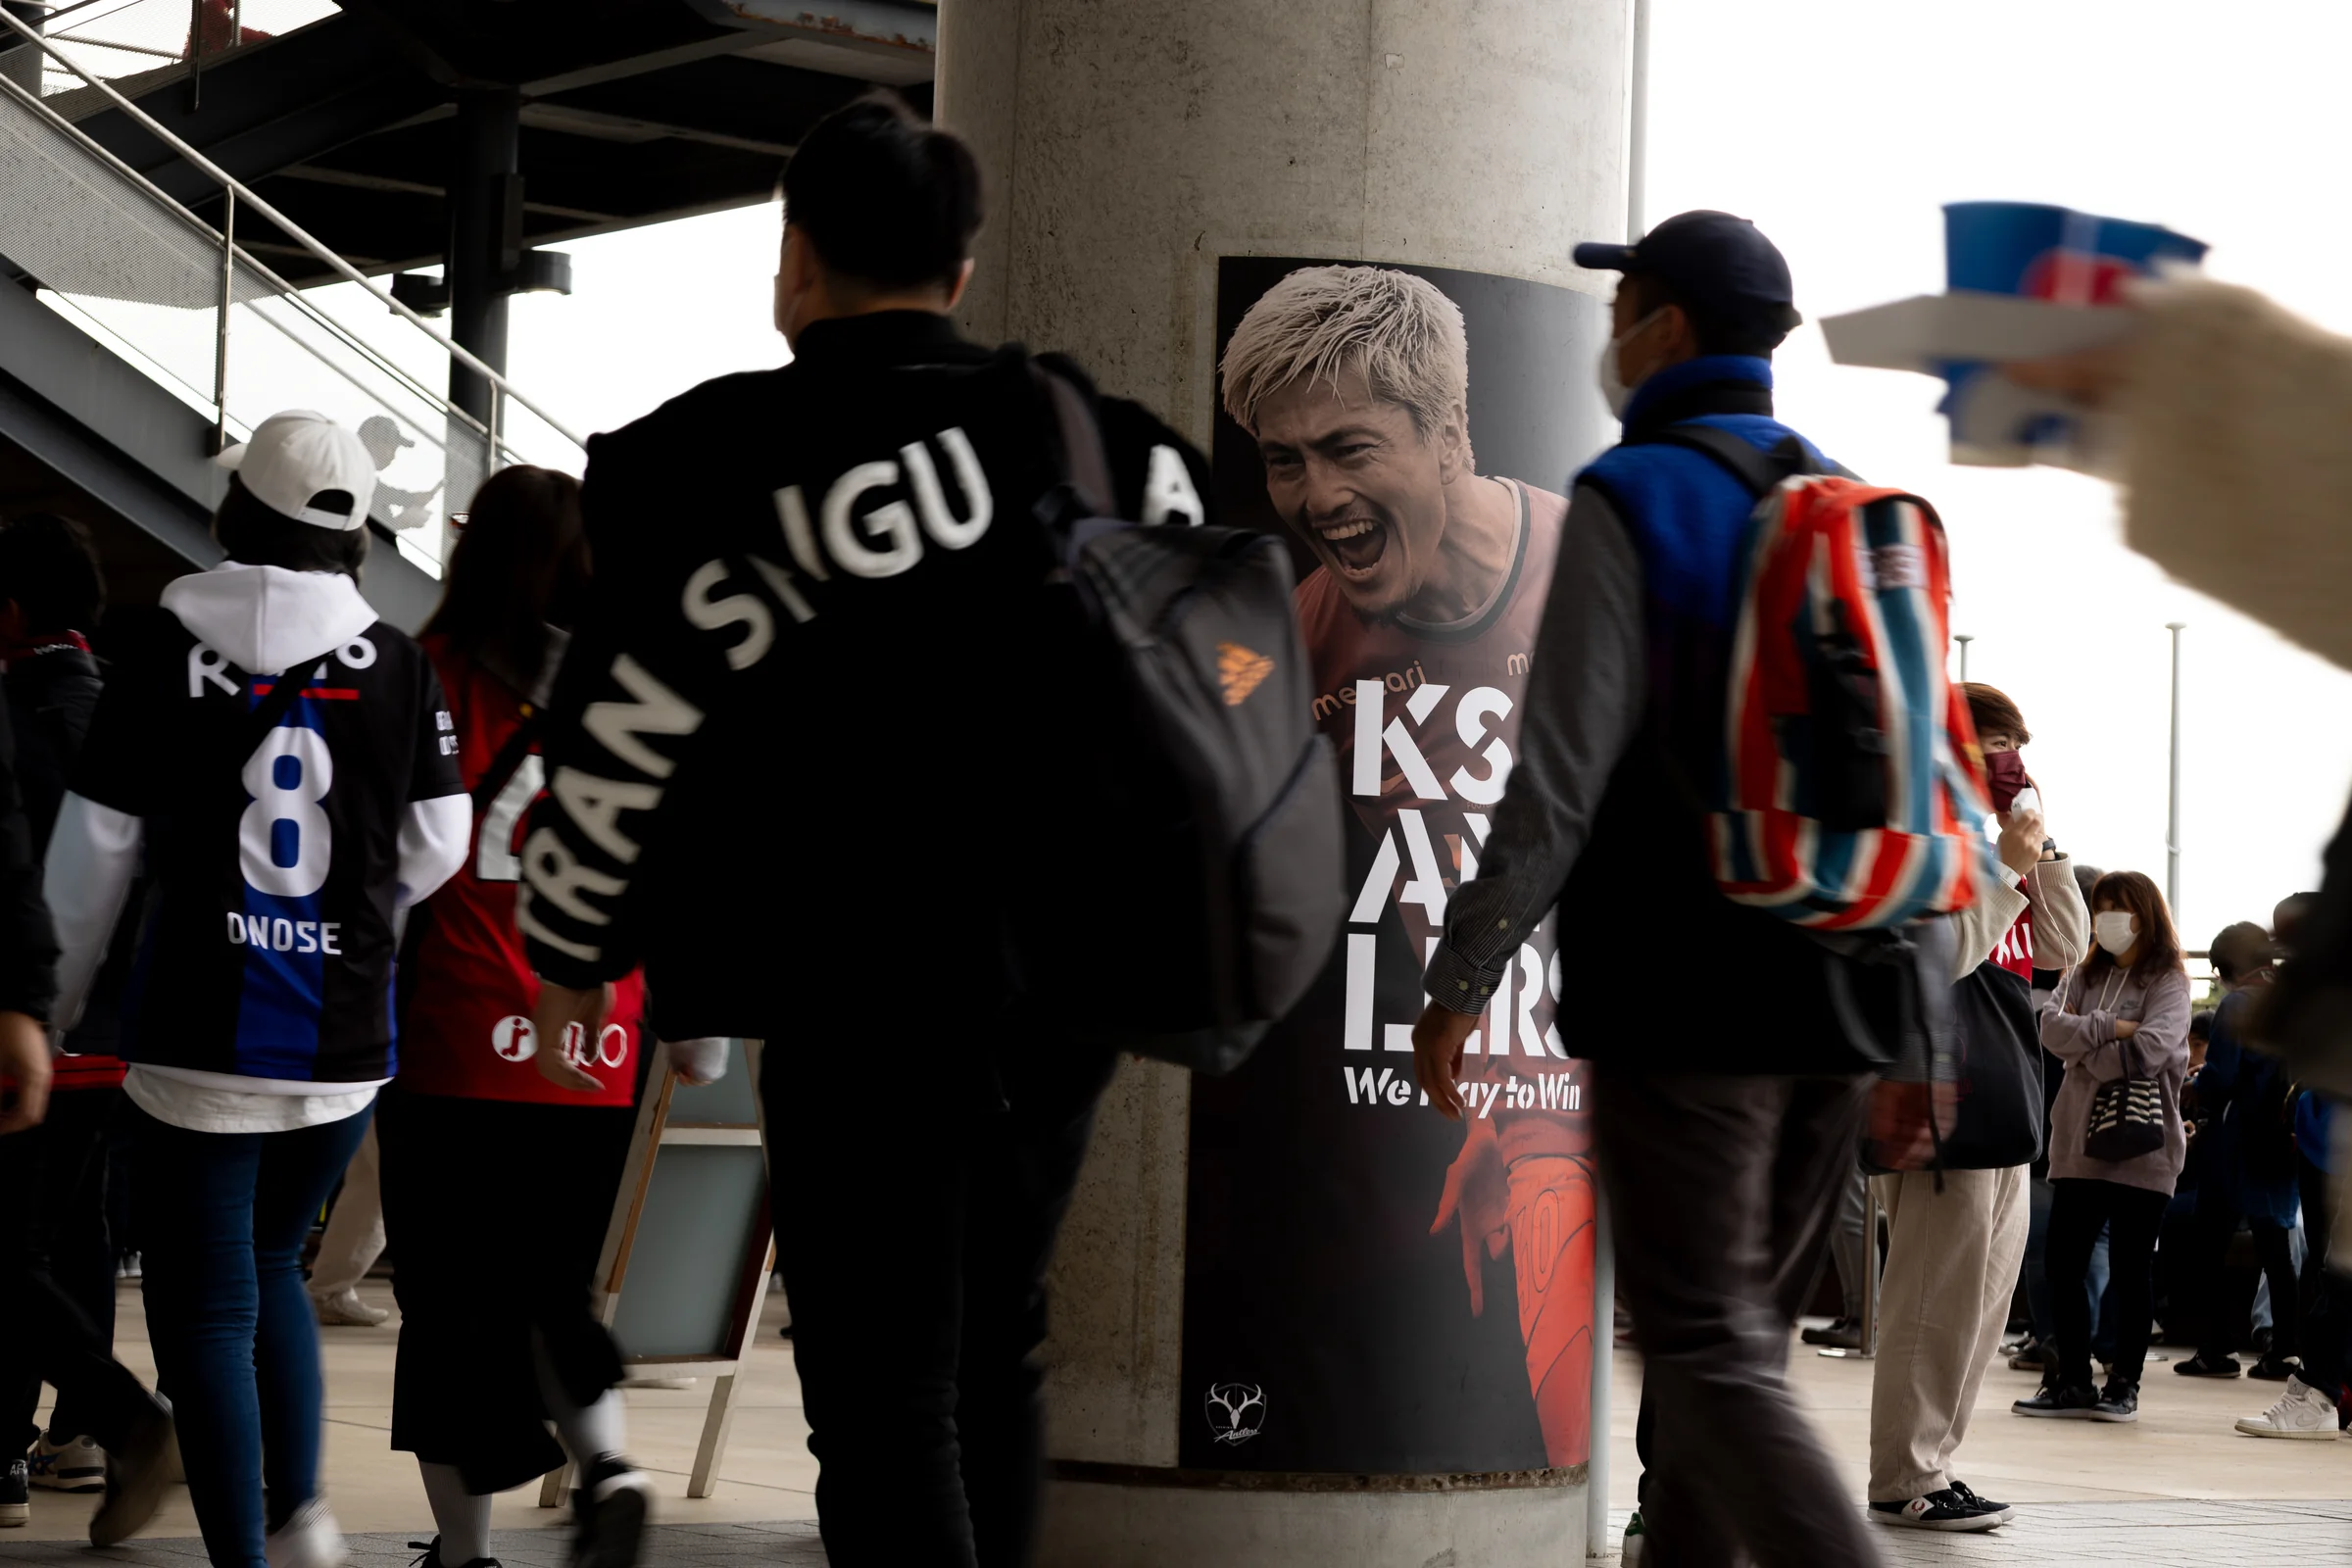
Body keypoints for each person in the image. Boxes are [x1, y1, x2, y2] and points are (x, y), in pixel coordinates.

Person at [514, 93, 1209, 1568]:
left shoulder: (699, 460)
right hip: (1065, 988)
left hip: (857, 987)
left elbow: (622, 727)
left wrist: (575, 939)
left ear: (796, 260)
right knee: (996, 1350)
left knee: (885, 1394)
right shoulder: (1110, 446)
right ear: (962, 272)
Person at [1408, 210, 1902, 1568]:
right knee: (1731, 1362)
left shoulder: (1637, 497)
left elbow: (1557, 780)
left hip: (1691, 1001)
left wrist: (1459, 980)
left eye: (1624, 307)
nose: (1611, 332)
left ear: (1667, 327)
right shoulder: (1846, 500)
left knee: (1708, 1353)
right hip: (1842, 997)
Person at [42, 411, 470, 1568]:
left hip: (194, 1031)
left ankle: (245, 1554)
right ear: (356, 529)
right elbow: (441, 837)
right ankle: (301, 1516)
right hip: (342, 1041)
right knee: (274, 1262)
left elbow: (95, 851)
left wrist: (57, 1001)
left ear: (239, 509)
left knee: (206, 1309)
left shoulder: (160, 648)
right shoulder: (399, 660)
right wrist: (353, 918)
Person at [1193, 262, 1595, 1478]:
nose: (1317, 496)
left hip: (1591, 1106)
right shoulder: (1304, 635)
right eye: (1284, 460)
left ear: (1450, 432)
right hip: (1437, 1132)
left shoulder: (1591, 573)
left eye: (1348, 448)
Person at [380, 466, 708, 1568]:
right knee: (553, 1288)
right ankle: (609, 1467)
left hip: (456, 1037)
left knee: (448, 1312)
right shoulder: (636, 693)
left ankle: (463, 1555)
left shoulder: (427, 674)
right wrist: (692, 1025)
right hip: (599, 1048)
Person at [1866, 685, 2087, 1532]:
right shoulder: (1919, 842)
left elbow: (2062, 948)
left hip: (2003, 1098)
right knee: (1932, 1300)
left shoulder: (2002, 851)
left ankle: (1936, 1463)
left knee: (1980, 1308)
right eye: (1993, 744)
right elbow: (1938, 956)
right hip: (1937, 1098)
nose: (2010, 762)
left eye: (2015, 747)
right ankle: (1904, 1476)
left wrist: (2040, 850)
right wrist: (1998, 866)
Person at [0, 517, 174, 1544]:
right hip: (120, 1022)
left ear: (11, 610)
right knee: (75, 1233)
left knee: (13, 1249)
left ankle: (82, 1427)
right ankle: (81, 1430)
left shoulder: (16, 711)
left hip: (30, 1017)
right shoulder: (125, 704)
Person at [2014, 870, 2192, 1423]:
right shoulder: (2081, 972)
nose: (2106, 918)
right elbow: (2049, 1029)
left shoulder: (2169, 980)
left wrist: (2085, 1045)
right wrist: (2115, 1027)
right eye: (2101, 907)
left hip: (2145, 1148)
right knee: (2063, 1266)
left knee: (2132, 1268)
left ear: (2144, 913)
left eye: (2118, 907)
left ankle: (2124, 1384)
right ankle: (2072, 1381)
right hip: (2077, 1145)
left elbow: (2154, 1048)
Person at [2174, 922, 2300, 1379]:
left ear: (2226, 967)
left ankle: (2217, 1349)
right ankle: (2285, 1351)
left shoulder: (2237, 1004)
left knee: (2209, 1245)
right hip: (2285, 1142)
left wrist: (2196, 1082)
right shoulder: (2294, 1000)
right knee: (2277, 1251)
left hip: (2238, 1144)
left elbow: (2223, 1075)